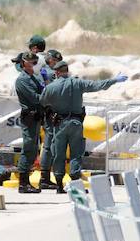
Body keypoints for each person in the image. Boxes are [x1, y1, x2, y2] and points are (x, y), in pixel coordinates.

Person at [40, 61, 127, 194]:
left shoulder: (52, 87)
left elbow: (42, 101)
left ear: (56, 72)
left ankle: (59, 185)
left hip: (59, 124)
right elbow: (98, 85)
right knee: (76, 154)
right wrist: (114, 80)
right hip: (76, 123)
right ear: (67, 71)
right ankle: (75, 183)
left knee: (58, 154)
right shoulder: (78, 83)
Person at [15, 52, 44, 194]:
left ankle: (25, 181)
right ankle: (23, 183)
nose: (33, 63)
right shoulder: (22, 80)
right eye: (30, 61)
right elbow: (35, 98)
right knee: (28, 149)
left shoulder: (32, 77)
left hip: (36, 117)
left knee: (33, 148)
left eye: (34, 61)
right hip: (30, 117)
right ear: (24, 63)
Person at [38, 50, 64, 190]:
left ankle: (46, 177)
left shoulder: (47, 72)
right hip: (50, 112)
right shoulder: (48, 73)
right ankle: (45, 177)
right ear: (51, 60)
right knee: (48, 146)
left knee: (50, 145)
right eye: (56, 60)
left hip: (51, 112)